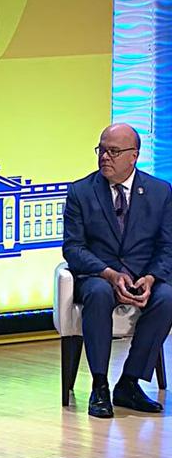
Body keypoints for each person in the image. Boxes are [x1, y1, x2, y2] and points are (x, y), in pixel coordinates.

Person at [63, 123, 172, 419]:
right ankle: (100, 385)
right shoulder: (81, 192)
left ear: (133, 156)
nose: (105, 158)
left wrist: (150, 278)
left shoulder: (160, 192)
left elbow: (167, 246)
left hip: (142, 275)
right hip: (100, 276)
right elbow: (73, 249)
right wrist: (109, 273)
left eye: (113, 151)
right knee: (97, 294)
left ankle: (129, 382)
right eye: (101, 150)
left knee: (167, 296)